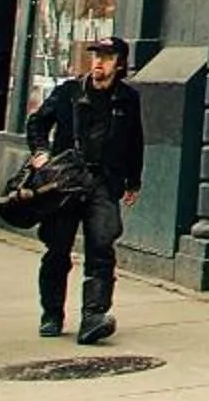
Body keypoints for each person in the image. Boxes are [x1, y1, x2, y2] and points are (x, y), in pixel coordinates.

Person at [25, 35, 144, 342]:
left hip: (103, 182)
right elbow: (37, 122)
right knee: (58, 248)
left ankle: (93, 315)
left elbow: (135, 141)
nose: (99, 63)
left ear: (120, 63)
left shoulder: (127, 99)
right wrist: (40, 153)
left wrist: (133, 180)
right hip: (66, 182)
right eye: (96, 56)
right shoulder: (69, 93)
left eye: (106, 57)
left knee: (102, 247)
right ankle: (51, 313)